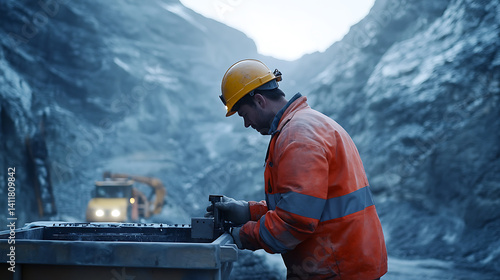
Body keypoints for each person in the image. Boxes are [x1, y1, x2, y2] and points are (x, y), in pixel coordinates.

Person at [209, 59, 388, 279]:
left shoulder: (297, 136)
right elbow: (307, 204)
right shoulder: (309, 124)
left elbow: (295, 221)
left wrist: (243, 236)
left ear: (259, 100)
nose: (246, 124)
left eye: (244, 114)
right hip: (346, 263)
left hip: (337, 268)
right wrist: (248, 211)